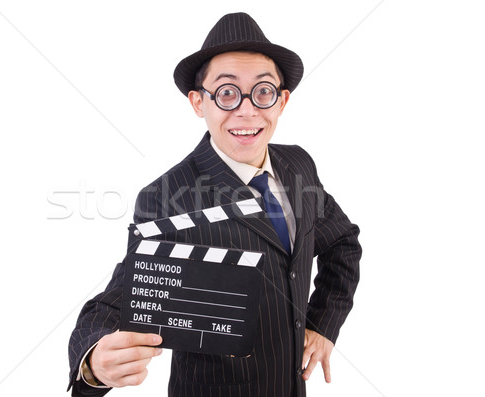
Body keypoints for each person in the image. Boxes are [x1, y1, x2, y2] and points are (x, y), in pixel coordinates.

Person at [68, 12, 361, 397]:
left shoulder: (298, 165)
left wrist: (323, 324)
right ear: (197, 102)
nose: (246, 109)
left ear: (282, 100)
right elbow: (123, 295)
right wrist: (93, 359)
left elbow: (343, 242)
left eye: (263, 91)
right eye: (226, 93)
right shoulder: (168, 195)